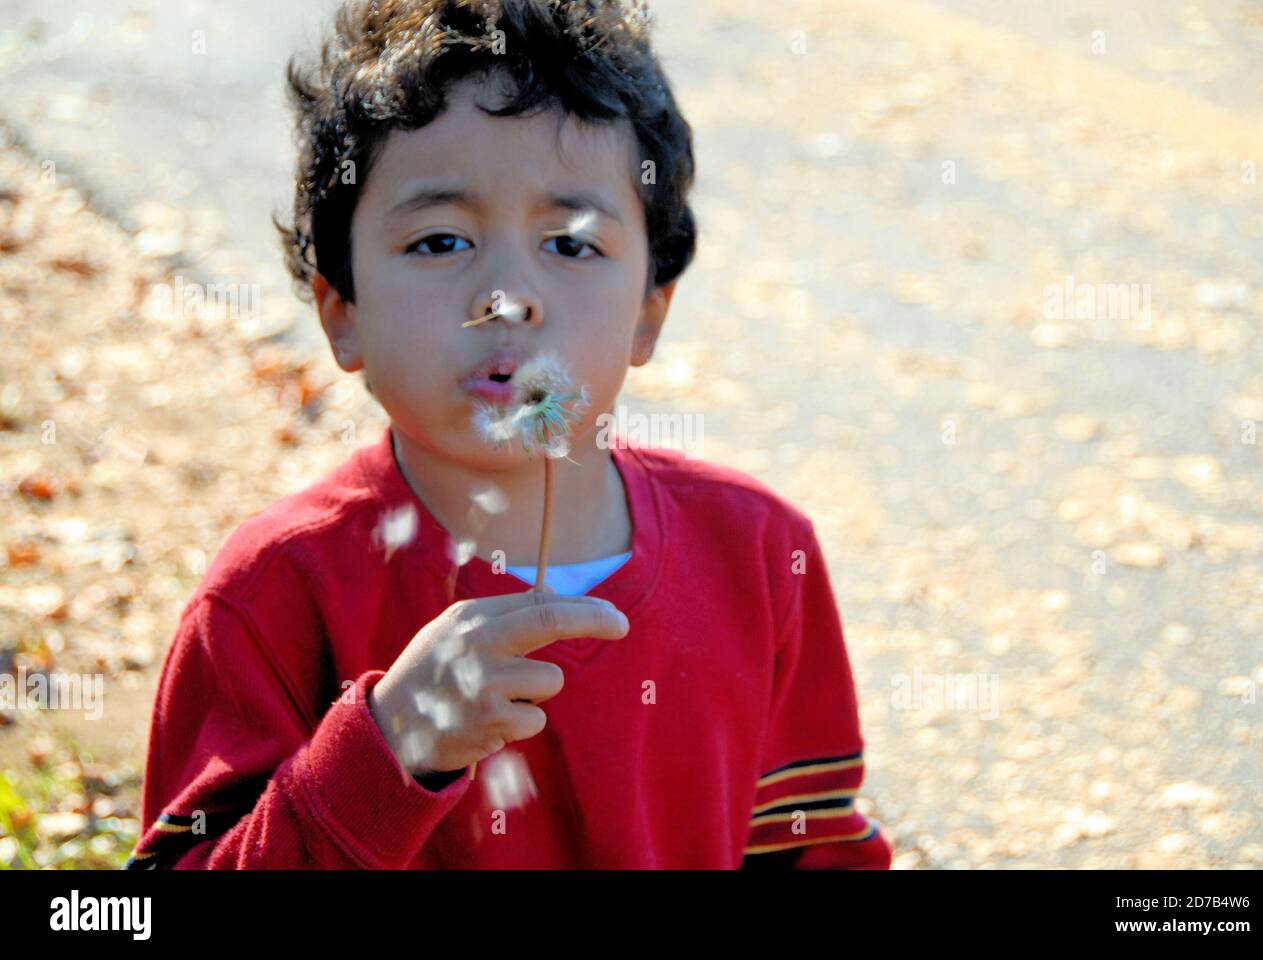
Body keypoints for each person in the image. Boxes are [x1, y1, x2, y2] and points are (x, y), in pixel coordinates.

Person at [127, 0, 892, 869]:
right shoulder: (272, 596)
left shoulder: (760, 555)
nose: (506, 298)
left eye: (569, 245)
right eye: (441, 240)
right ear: (340, 313)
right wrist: (386, 753)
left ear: (650, 314)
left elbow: (813, 848)